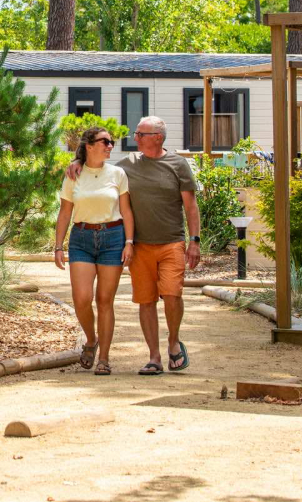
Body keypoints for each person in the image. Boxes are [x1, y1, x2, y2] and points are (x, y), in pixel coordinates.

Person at [65, 116, 201, 375]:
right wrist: (78, 161)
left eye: (140, 134)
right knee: (146, 301)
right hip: (139, 245)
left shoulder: (178, 164)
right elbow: (100, 170)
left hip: (172, 241)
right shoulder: (127, 165)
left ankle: (173, 341)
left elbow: (190, 206)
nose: (134, 138)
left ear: (157, 137)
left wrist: (194, 241)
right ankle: (155, 357)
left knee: (173, 294)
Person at [53, 127, 135, 376]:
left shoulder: (118, 173)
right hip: (81, 238)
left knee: (104, 301)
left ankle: (105, 358)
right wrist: (58, 246)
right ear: (89, 146)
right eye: (105, 142)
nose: (110, 145)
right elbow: (65, 212)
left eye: (112, 142)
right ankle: (91, 339)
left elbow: (127, 210)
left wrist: (129, 241)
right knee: (81, 298)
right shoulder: (73, 174)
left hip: (113, 237)